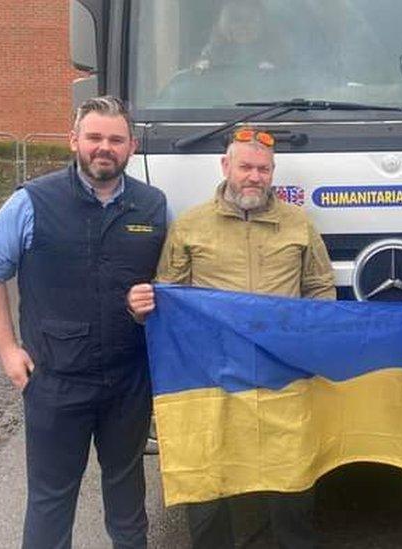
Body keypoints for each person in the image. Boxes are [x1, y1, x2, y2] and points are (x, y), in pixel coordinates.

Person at [0, 96, 167, 548]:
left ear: (131, 146)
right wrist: (7, 349)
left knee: (127, 496)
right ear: (74, 140)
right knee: (51, 500)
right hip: (55, 380)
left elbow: (174, 282)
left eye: (115, 139)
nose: (105, 147)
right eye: (94, 137)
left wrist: (152, 300)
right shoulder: (32, 202)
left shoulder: (154, 208)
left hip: (128, 381)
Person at [127, 127, 334, 549]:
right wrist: (142, 308)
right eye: (245, 167)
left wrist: (311, 341)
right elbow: (169, 295)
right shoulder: (189, 226)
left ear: (272, 173)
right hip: (212, 376)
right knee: (208, 483)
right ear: (226, 167)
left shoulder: (299, 225)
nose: (254, 177)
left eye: (263, 169)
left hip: (282, 376)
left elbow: (320, 289)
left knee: (291, 482)